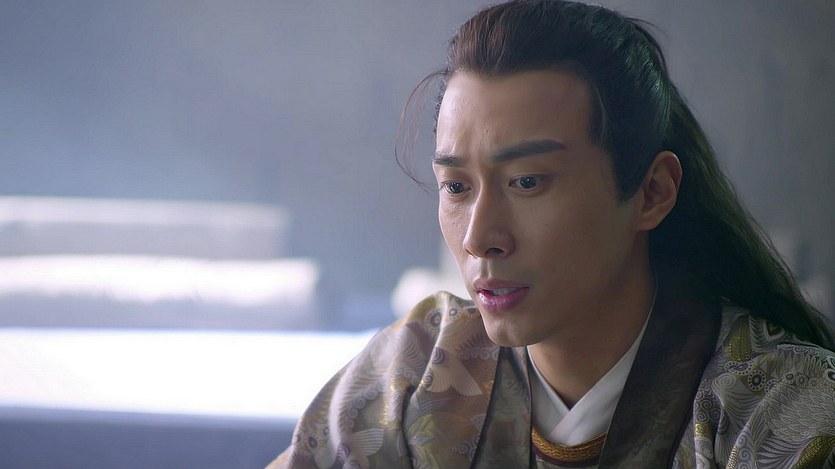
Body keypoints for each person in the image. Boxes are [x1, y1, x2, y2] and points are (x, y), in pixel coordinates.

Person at [268, 1, 835, 467]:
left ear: (652, 192)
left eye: (527, 181)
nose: (480, 238)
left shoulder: (782, 415)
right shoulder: (415, 375)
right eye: (457, 187)